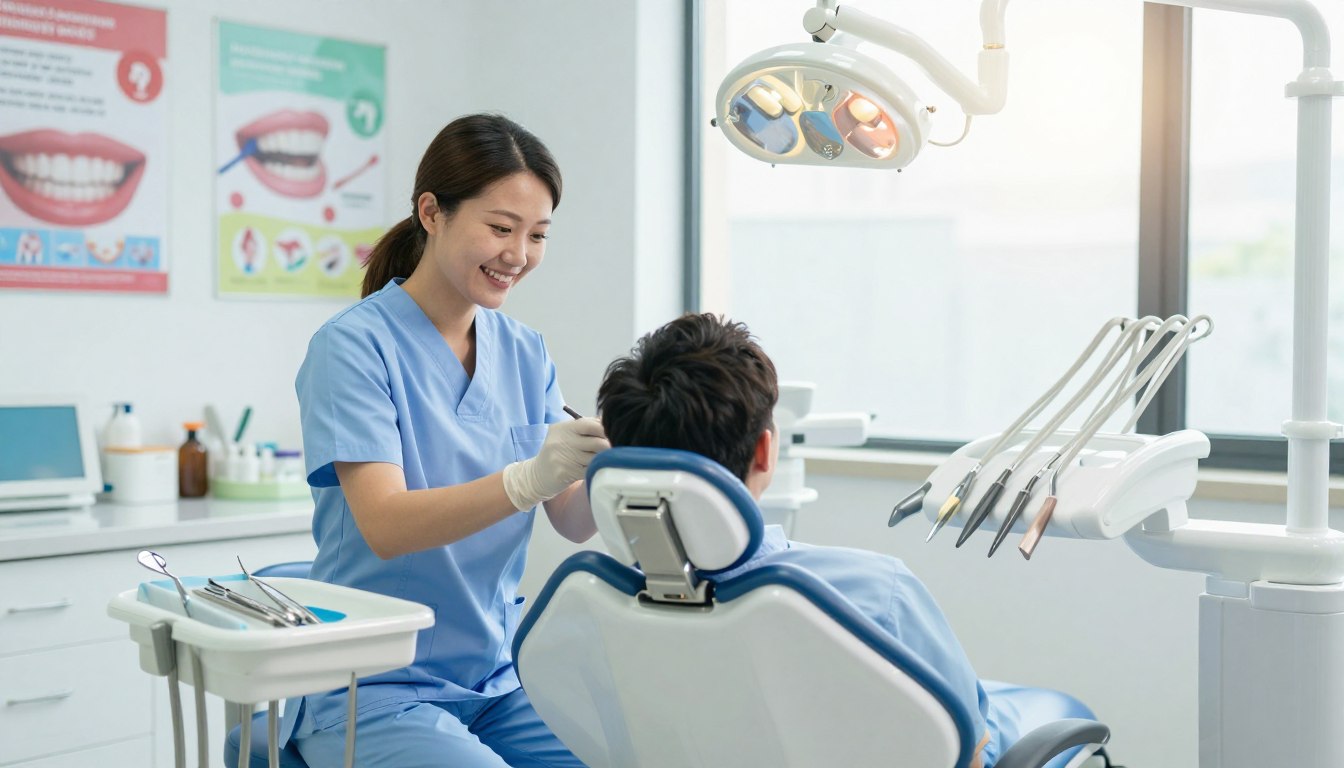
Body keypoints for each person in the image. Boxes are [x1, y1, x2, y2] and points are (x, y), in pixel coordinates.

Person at [595, 313, 1105, 768]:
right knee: (1041, 711)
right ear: (765, 450)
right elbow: (966, 753)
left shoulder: (602, 604)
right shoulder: (877, 593)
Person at [291, 113, 606, 768]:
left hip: (494, 680)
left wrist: (636, 460)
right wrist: (528, 478)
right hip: (371, 683)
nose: (518, 255)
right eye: (500, 228)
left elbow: (573, 520)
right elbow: (384, 524)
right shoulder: (354, 347)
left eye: (537, 235)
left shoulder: (526, 352)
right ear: (431, 212)